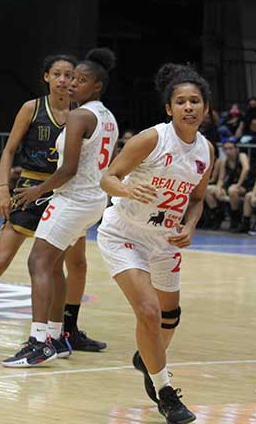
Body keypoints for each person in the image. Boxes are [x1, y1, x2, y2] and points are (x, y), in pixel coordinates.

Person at [0, 54, 106, 356]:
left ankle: (64, 332)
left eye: (69, 75)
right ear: (46, 77)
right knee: (0, 260)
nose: (63, 80)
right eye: (57, 74)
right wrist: (4, 190)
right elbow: (8, 151)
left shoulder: (83, 113)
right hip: (30, 189)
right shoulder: (32, 108)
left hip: (68, 194)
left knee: (70, 265)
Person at [98, 63, 214, 424]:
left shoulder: (206, 151)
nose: (188, 107)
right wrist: (128, 188)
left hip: (165, 240)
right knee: (147, 312)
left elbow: (196, 199)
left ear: (205, 108)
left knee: (169, 318)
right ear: (169, 108)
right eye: (181, 101)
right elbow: (108, 177)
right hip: (124, 233)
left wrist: (191, 226)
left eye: (195, 101)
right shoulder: (152, 138)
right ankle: (165, 391)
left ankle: (148, 357)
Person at [2, 48, 119, 367]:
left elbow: (67, 170)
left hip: (74, 199)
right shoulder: (108, 116)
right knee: (53, 266)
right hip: (93, 200)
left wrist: (34, 192)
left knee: (37, 262)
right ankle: (57, 337)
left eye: (81, 80)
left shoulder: (80, 115)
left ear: (96, 86)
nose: (72, 85)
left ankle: (38, 342)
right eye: (72, 79)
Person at [204, 139, 249, 231]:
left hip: (243, 186)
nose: (228, 151)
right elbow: (221, 178)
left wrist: (238, 185)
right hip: (229, 186)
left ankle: (235, 218)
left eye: (230, 148)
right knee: (207, 190)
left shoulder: (242, 156)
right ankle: (217, 215)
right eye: (226, 149)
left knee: (233, 190)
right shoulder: (224, 161)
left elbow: (246, 169)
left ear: (236, 149)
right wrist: (218, 187)